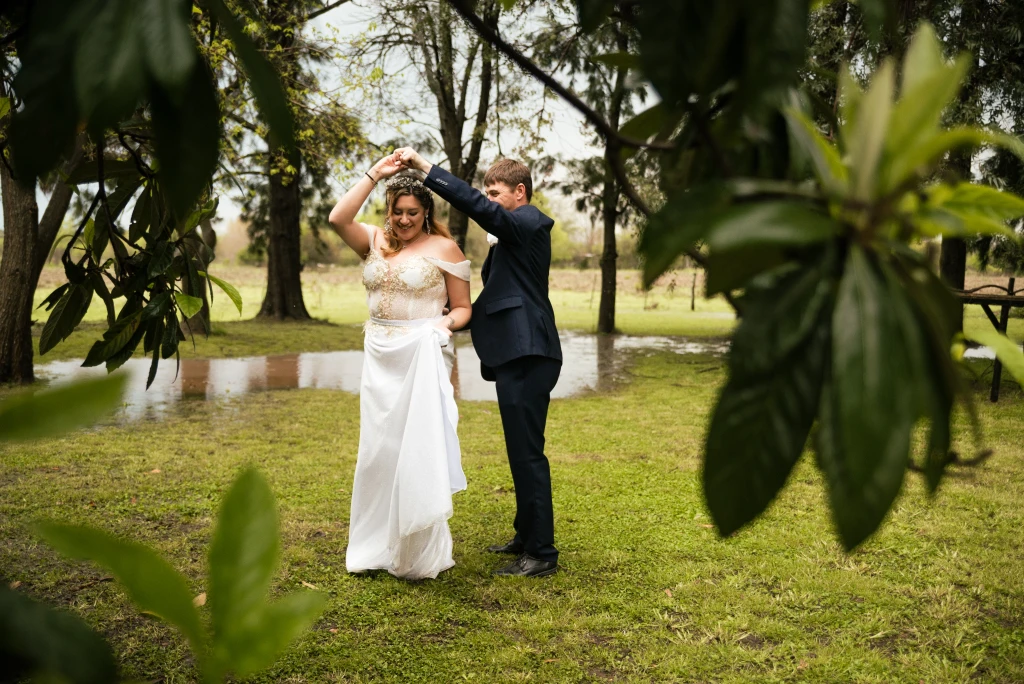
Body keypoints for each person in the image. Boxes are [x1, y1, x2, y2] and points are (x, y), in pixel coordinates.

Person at [395, 148, 562, 578]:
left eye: (495, 192)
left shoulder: (530, 220)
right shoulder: (513, 236)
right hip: (517, 354)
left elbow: (482, 211)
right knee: (520, 450)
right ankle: (526, 536)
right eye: (486, 192)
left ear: (520, 192)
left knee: (528, 454)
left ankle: (541, 553)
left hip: (529, 354)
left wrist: (426, 169)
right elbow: (500, 299)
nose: (488, 200)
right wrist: (451, 317)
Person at [328, 154, 471, 580]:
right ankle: (373, 544)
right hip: (379, 354)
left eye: (412, 212)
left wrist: (443, 326)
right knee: (378, 450)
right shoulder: (374, 240)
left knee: (415, 448)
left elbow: (463, 308)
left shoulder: (445, 248)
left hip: (421, 353)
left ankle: (414, 549)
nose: (404, 219)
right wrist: (375, 174)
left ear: (426, 212)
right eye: (397, 211)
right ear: (388, 211)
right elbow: (337, 217)